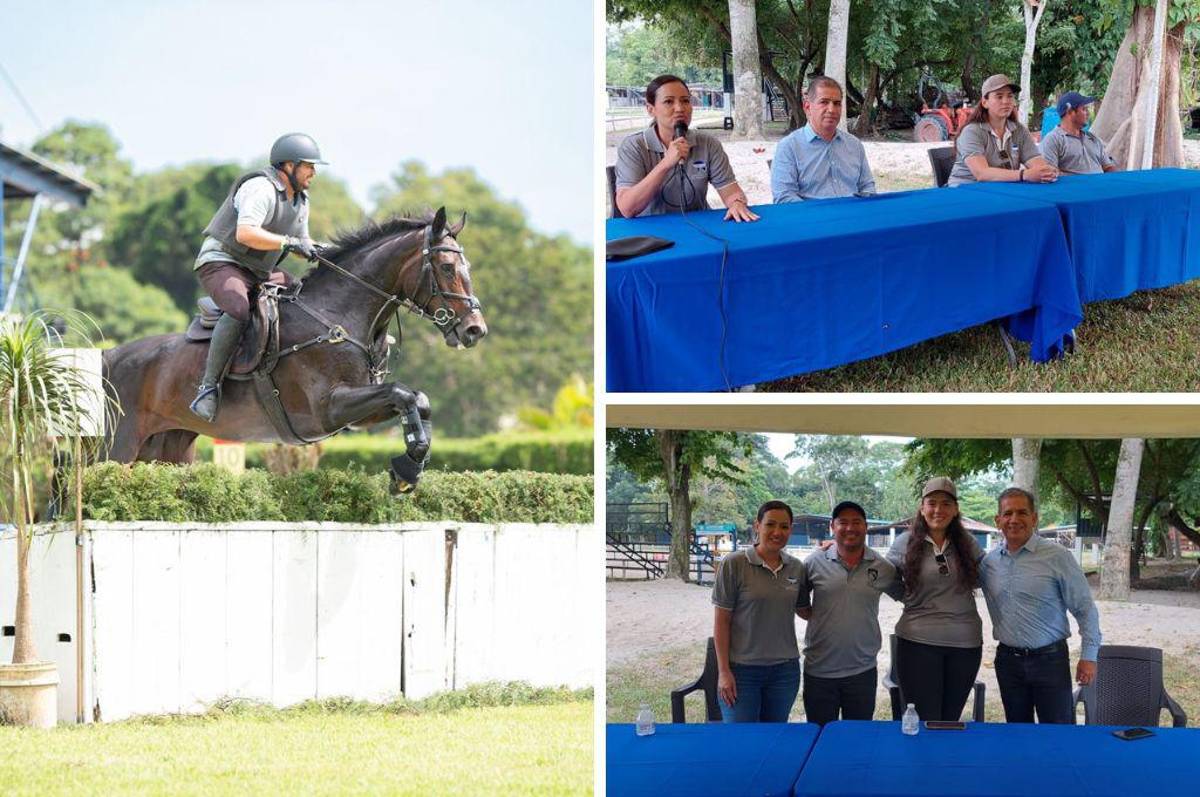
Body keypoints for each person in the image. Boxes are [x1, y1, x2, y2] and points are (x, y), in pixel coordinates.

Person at [189, 133, 326, 422]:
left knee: (302, 296)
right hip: (223, 261)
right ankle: (208, 387)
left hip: (259, 271)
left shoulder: (301, 200)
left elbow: (301, 241)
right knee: (239, 308)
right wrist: (289, 243)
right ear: (288, 165)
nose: (314, 172)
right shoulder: (260, 188)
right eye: (309, 166)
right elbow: (245, 233)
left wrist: (322, 250)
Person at [980, 487, 1102, 724]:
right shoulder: (988, 563)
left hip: (1050, 661)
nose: (1014, 519)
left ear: (1034, 518)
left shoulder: (1057, 556)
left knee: (1058, 734)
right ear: (998, 520)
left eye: (1022, 513)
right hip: (1008, 662)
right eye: (1007, 513)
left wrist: (1089, 656)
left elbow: (1085, 609)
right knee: (1017, 732)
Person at [885, 477, 984, 722]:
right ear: (922, 507)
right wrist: (908, 597)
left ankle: (944, 761)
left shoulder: (968, 543)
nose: (938, 510)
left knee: (949, 719)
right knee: (924, 719)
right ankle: (922, 762)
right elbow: (885, 577)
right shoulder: (904, 543)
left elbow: (986, 575)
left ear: (955, 509)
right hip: (917, 643)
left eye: (946, 503)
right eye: (932, 503)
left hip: (965, 644)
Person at [797, 500, 897, 725]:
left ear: (866, 526)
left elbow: (909, 594)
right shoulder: (813, 563)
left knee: (858, 738)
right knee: (820, 736)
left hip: (862, 669)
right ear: (833, 526)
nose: (850, 528)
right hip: (819, 669)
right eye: (843, 522)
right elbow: (801, 606)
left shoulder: (883, 567)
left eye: (856, 522)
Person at [614, 74, 758, 221]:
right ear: (651, 109)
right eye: (669, 101)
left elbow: (731, 191)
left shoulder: (708, 144)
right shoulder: (634, 146)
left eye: (685, 101)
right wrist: (666, 163)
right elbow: (627, 208)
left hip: (699, 227)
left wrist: (737, 203)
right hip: (651, 232)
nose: (679, 108)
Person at [711, 500, 806, 722]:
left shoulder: (796, 567)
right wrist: (724, 672)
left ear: (790, 530)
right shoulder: (734, 564)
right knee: (741, 742)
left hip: (785, 671)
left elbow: (806, 611)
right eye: (770, 524)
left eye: (784, 526)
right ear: (757, 526)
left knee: (774, 739)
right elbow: (721, 622)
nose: (777, 532)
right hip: (742, 671)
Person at [770, 77, 875, 202]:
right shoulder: (789, 147)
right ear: (807, 107)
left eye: (837, 103)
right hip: (812, 219)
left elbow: (867, 188)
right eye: (824, 102)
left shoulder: (855, 145)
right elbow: (784, 197)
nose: (831, 110)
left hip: (852, 217)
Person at [947, 74, 1058, 186]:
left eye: (1010, 96)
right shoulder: (972, 132)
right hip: (966, 190)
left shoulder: (1019, 130)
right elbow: (981, 173)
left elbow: (1035, 161)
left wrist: (1045, 171)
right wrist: (1024, 174)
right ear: (985, 102)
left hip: (1002, 190)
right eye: (999, 96)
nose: (1006, 101)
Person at [1040, 91, 1118, 175]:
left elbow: (1108, 167)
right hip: (1073, 187)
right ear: (1070, 111)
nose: (1088, 113)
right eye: (1084, 109)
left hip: (1101, 186)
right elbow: (1050, 173)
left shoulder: (1092, 138)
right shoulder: (1053, 139)